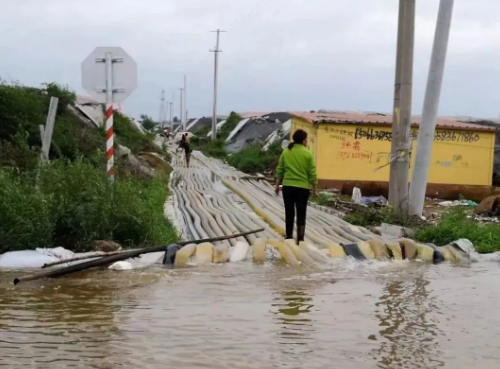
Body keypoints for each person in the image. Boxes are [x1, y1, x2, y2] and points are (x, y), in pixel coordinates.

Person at [275, 129, 318, 244]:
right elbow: (312, 173)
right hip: (303, 189)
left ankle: (288, 237)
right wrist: (314, 189)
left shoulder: (286, 152)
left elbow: (280, 169)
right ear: (304, 140)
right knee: (301, 214)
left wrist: (277, 185)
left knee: (289, 213)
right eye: (307, 139)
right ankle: (300, 239)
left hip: (288, 187)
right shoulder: (308, 153)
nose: (307, 141)